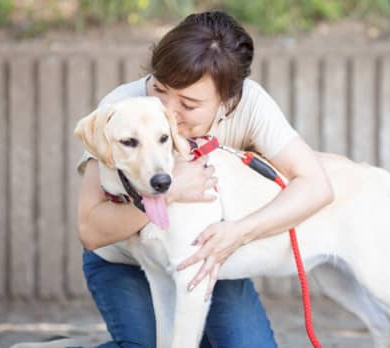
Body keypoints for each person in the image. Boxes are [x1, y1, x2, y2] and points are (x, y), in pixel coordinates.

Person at [77, 10, 333, 348]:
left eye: (188, 103)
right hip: (123, 258)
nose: (167, 111)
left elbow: (316, 185)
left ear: (227, 101)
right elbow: (91, 231)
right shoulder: (122, 110)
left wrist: (239, 232)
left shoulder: (250, 104)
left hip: (205, 254)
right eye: (159, 88)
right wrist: (171, 191)